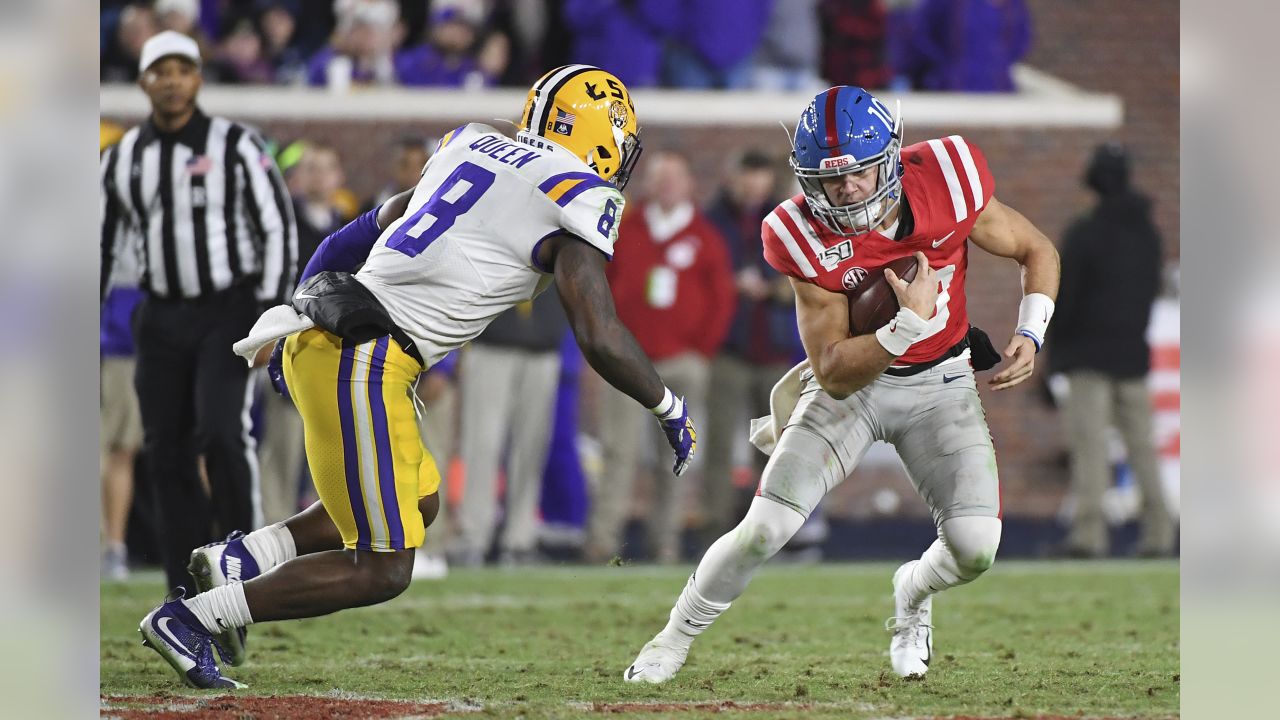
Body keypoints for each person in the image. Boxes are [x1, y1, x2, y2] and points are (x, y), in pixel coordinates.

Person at [138, 64, 697, 690]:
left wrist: (301, 304)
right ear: (600, 135)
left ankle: (241, 558)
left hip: (344, 339)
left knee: (418, 502)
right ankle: (193, 618)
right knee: (383, 568)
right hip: (364, 359)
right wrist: (668, 405)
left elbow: (363, 229)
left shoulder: (472, 139)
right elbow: (599, 333)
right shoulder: (578, 194)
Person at [625, 86, 1060, 683]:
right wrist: (905, 325)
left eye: (859, 173)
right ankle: (671, 638)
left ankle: (912, 595)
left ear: (891, 157)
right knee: (765, 528)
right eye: (832, 180)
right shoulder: (797, 232)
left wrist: (1030, 334)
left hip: (943, 384)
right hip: (854, 389)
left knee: (976, 548)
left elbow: (1036, 247)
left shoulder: (947, 179)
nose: (848, 189)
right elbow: (830, 369)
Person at [100, 31, 297, 594]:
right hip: (159, 313)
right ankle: (184, 587)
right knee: (165, 449)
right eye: (159, 70)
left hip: (227, 309)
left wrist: (270, 315)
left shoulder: (236, 144)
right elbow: (101, 245)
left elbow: (277, 225)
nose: (171, 80)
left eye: (182, 69)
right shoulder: (123, 158)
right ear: (143, 82)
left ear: (198, 78)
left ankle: (242, 565)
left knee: (220, 432)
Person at [585, 151, 736, 564]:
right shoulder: (624, 230)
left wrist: (700, 351)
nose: (667, 184)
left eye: (675, 176)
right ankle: (603, 540)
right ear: (648, 184)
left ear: (688, 184)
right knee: (618, 452)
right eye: (659, 177)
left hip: (682, 363)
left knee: (677, 455)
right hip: (627, 363)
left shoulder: (704, 236)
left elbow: (722, 299)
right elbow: (600, 291)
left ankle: (665, 541)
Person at [1050, 143, 1174, 558]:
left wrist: (1054, 354)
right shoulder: (1147, 233)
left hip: (1088, 356)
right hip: (1132, 355)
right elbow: (1150, 289)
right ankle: (1159, 533)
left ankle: (1090, 535)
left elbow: (1066, 299)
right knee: (1142, 448)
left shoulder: (1085, 232)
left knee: (1090, 447)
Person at [701, 149, 800, 544]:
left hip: (775, 349)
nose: (754, 185)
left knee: (776, 448)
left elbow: (806, 274)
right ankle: (715, 527)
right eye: (748, 176)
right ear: (735, 177)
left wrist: (775, 289)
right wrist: (729, 285)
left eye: (761, 177)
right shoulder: (712, 221)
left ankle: (770, 530)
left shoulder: (787, 219)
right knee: (720, 444)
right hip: (729, 347)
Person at [451, 292, 568, 567]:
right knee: (482, 443)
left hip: (543, 344)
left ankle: (520, 539)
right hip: (490, 341)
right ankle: (473, 536)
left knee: (532, 447)